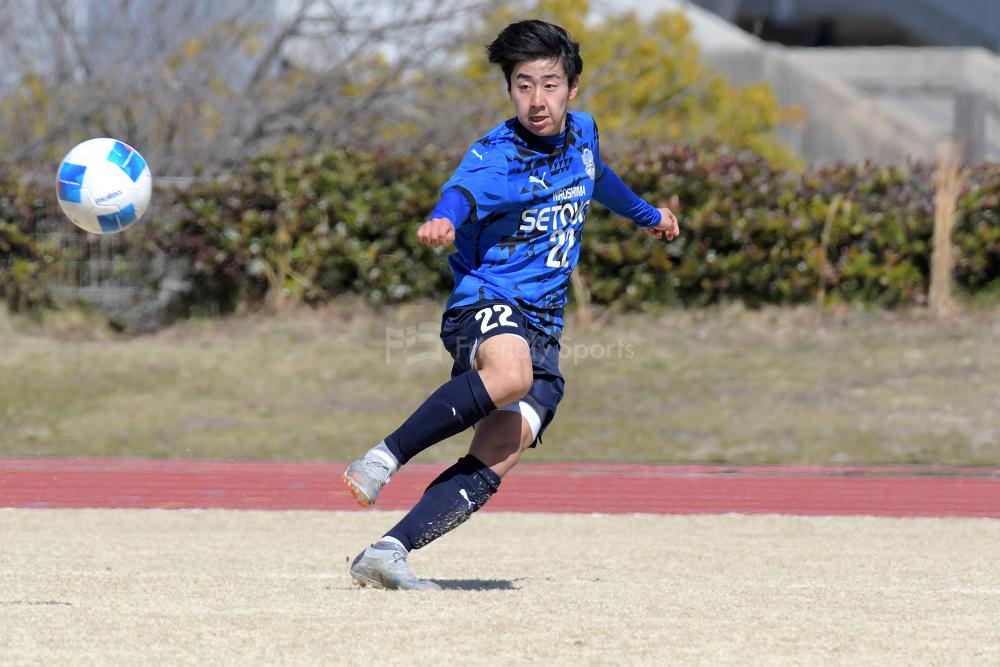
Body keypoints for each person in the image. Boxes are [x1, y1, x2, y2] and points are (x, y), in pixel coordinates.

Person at [343, 18, 679, 591]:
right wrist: (444, 218)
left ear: (572, 88)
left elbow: (598, 177)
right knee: (511, 373)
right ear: (509, 90)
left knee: (503, 448)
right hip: (486, 301)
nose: (537, 100)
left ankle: (388, 552)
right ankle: (382, 458)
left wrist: (650, 216)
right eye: (523, 86)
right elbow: (460, 192)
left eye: (549, 84)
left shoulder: (583, 133)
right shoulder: (497, 154)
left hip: (543, 324)